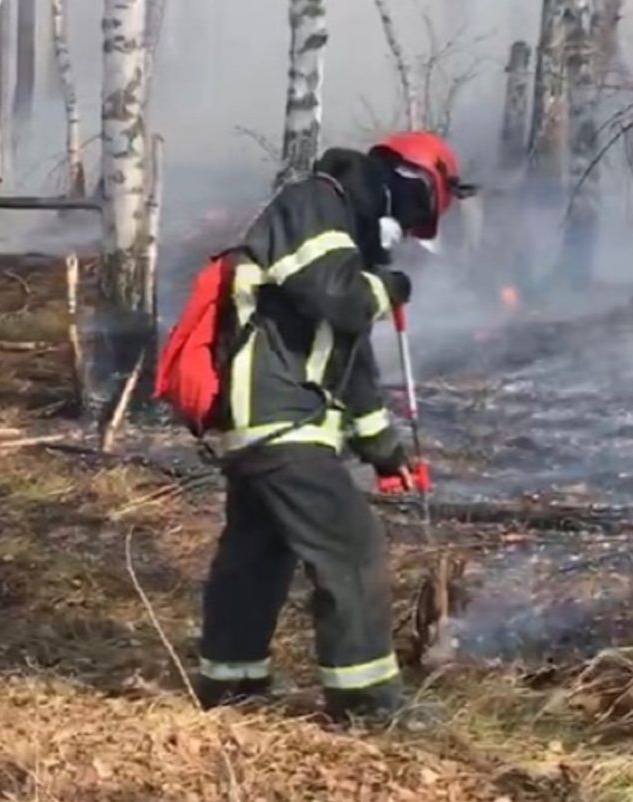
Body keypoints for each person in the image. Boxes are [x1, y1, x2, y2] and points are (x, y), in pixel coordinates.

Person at [195, 131, 474, 724]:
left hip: (281, 415)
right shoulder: (317, 203)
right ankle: (367, 706)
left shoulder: (344, 231)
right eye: (418, 216)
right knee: (351, 548)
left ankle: (231, 685)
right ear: (411, 183)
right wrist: (388, 287)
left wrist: (384, 449)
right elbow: (339, 300)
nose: (408, 233)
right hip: (277, 411)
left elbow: (352, 366)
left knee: (258, 553)